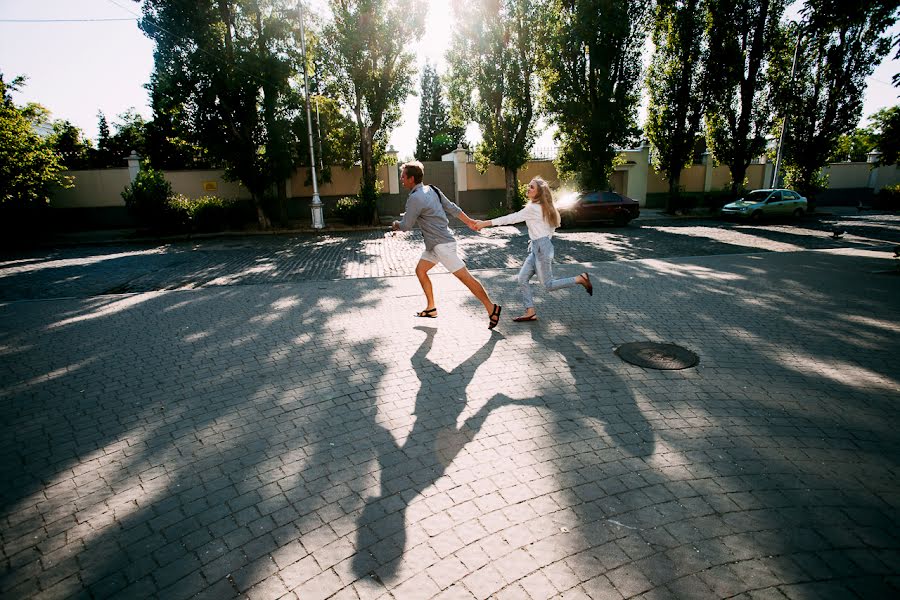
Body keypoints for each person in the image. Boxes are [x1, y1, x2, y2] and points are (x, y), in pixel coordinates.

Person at [392, 161, 502, 330]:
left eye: (403, 176)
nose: (401, 179)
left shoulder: (414, 198)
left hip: (442, 246)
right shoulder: (433, 189)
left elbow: (406, 226)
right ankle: (431, 308)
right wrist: (469, 222)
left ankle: (491, 308)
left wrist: (396, 224)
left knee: (466, 278)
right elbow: (452, 208)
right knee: (420, 270)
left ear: (411, 178)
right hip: (437, 245)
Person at [474, 176, 592, 322]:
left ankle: (580, 279)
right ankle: (530, 311)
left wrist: (484, 224)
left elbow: (510, 218)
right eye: (528, 185)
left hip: (541, 248)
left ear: (539, 193)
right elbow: (554, 226)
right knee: (522, 278)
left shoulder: (533, 208)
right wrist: (543, 240)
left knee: (548, 285)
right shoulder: (546, 207)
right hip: (539, 247)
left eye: (532, 187)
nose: (528, 188)